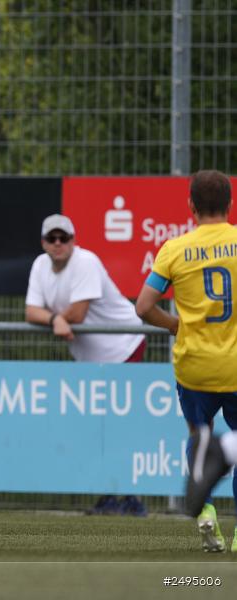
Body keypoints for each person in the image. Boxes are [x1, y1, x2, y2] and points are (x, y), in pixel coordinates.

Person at [135, 169, 237, 552]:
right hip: (236, 366)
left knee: (200, 435)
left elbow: (144, 307)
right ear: (230, 204)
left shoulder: (174, 250)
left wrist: (175, 324)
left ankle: (205, 509)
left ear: (191, 205)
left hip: (194, 367)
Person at [24, 213, 148, 517]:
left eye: (63, 238)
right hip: (94, 360)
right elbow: (30, 312)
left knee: (117, 425)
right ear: (43, 243)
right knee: (100, 427)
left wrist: (57, 319)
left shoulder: (86, 262)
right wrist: (56, 319)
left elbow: (78, 313)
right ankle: (112, 495)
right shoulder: (40, 265)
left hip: (125, 346)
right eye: (52, 238)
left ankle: (130, 498)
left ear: (73, 240)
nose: (58, 243)